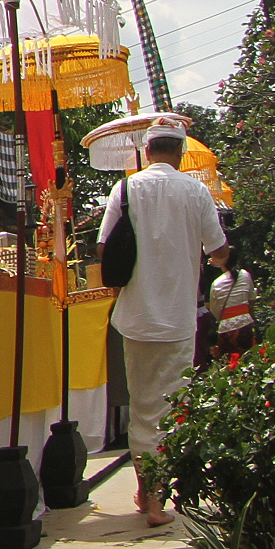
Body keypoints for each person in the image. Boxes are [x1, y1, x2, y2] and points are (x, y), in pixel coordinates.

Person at [98, 123, 228, 526]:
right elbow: (219, 251)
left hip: (136, 317)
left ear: (148, 150)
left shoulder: (125, 190)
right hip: (176, 318)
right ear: (180, 151)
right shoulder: (197, 192)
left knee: (143, 406)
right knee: (173, 408)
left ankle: (146, 492)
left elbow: (104, 247)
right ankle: (158, 500)